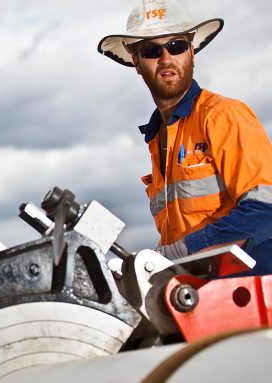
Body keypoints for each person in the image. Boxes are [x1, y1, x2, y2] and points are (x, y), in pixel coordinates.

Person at [98, 0, 272, 274]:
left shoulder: (223, 116)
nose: (166, 58)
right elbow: (179, 233)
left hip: (251, 296)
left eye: (176, 46)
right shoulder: (158, 138)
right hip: (200, 293)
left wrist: (175, 254)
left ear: (192, 51)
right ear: (137, 62)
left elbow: (264, 210)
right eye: (152, 50)